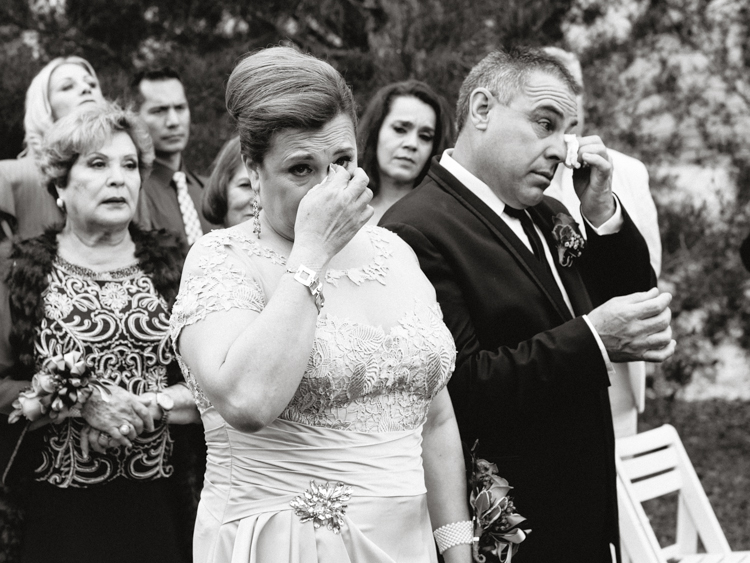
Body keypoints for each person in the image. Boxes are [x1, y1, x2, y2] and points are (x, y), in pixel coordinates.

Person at [171, 46, 471, 563]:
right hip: (287, 543)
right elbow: (248, 402)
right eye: (301, 169)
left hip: (409, 545)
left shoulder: (395, 252)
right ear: (252, 169)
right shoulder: (222, 258)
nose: (328, 187)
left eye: (342, 162)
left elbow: (436, 418)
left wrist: (454, 547)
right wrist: (312, 251)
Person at [381, 47, 675, 563]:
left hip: (586, 509)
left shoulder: (553, 213)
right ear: (481, 109)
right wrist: (592, 340)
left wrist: (602, 212)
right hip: (508, 526)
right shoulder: (415, 228)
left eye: (568, 131)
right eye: (545, 123)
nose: (563, 150)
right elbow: (459, 389)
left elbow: (636, 302)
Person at [0, 103, 200, 563]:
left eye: (130, 165)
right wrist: (77, 401)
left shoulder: (182, 267)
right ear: (59, 184)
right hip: (56, 518)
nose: (119, 178)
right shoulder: (18, 271)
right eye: (97, 164)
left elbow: (216, 383)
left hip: (162, 509)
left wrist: (156, 404)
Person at [542, 46, 663, 438]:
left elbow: (649, 271)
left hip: (619, 371)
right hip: (547, 366)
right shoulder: (520, 171)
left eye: (573, 84)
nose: (567, 93)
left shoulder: (627, 170)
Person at [0, 57, 105, 246]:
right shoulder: (7, 176)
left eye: (91, 83)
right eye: (67, 87)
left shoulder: (128, 179)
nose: (85, 88)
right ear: (44, 108)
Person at [130, 67, 216, 248]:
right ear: (134, 118)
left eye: (180, 108)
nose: (174, 121)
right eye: (159, 110)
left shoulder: (212, 191)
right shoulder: (131, 191)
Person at [358, 80, 454, 224]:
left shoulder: (441, 219)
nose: (412, 144)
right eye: (400, 129)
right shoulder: (344, 207)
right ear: (375, 131)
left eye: (425, 137)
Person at [201, 136, 256, 228]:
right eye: (246, 185)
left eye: (271, 190)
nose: (258, 201)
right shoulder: (207, 242)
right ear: (221, 187)